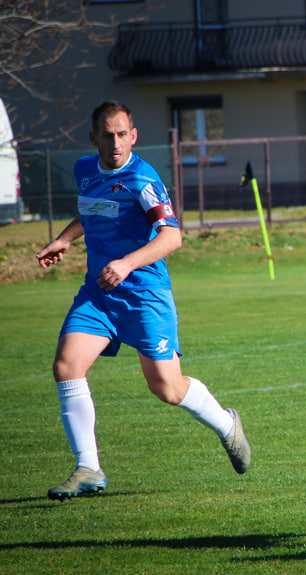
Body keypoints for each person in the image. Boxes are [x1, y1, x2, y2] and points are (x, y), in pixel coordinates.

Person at [36, 101, 251, 501]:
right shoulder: (85, 170)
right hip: (100, 294)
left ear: (133, 136)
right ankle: (88, 468)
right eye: (107, 135)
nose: (115, 143)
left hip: (145, 295)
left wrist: (127, 263)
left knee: (167, 388)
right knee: (67, 365)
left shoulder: (143, 179)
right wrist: (65, 239)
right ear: (93, 138)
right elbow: (93, 209)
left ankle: (226, 424)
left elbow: (172, 236)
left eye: (122, 135)